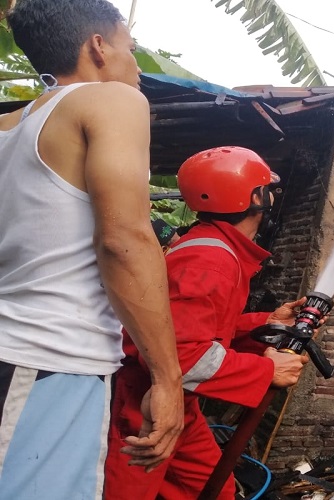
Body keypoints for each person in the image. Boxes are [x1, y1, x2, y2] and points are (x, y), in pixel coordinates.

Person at [0, 1, 185, 497]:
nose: (137, 68)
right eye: (131, 49)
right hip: (50, 358)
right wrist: (168, 380)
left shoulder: (8, 127)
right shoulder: (110, 101)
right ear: (98, 47)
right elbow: (124, 240)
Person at [105, 146, 311, 499]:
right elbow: (182, 357)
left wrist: (268, 323)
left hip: (177, 403)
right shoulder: (211, 261)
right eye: (268, 189)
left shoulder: (212, 248)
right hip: (145, 406)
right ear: (255, 198)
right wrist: (265, 371)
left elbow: (197, 327)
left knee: (212, 491)